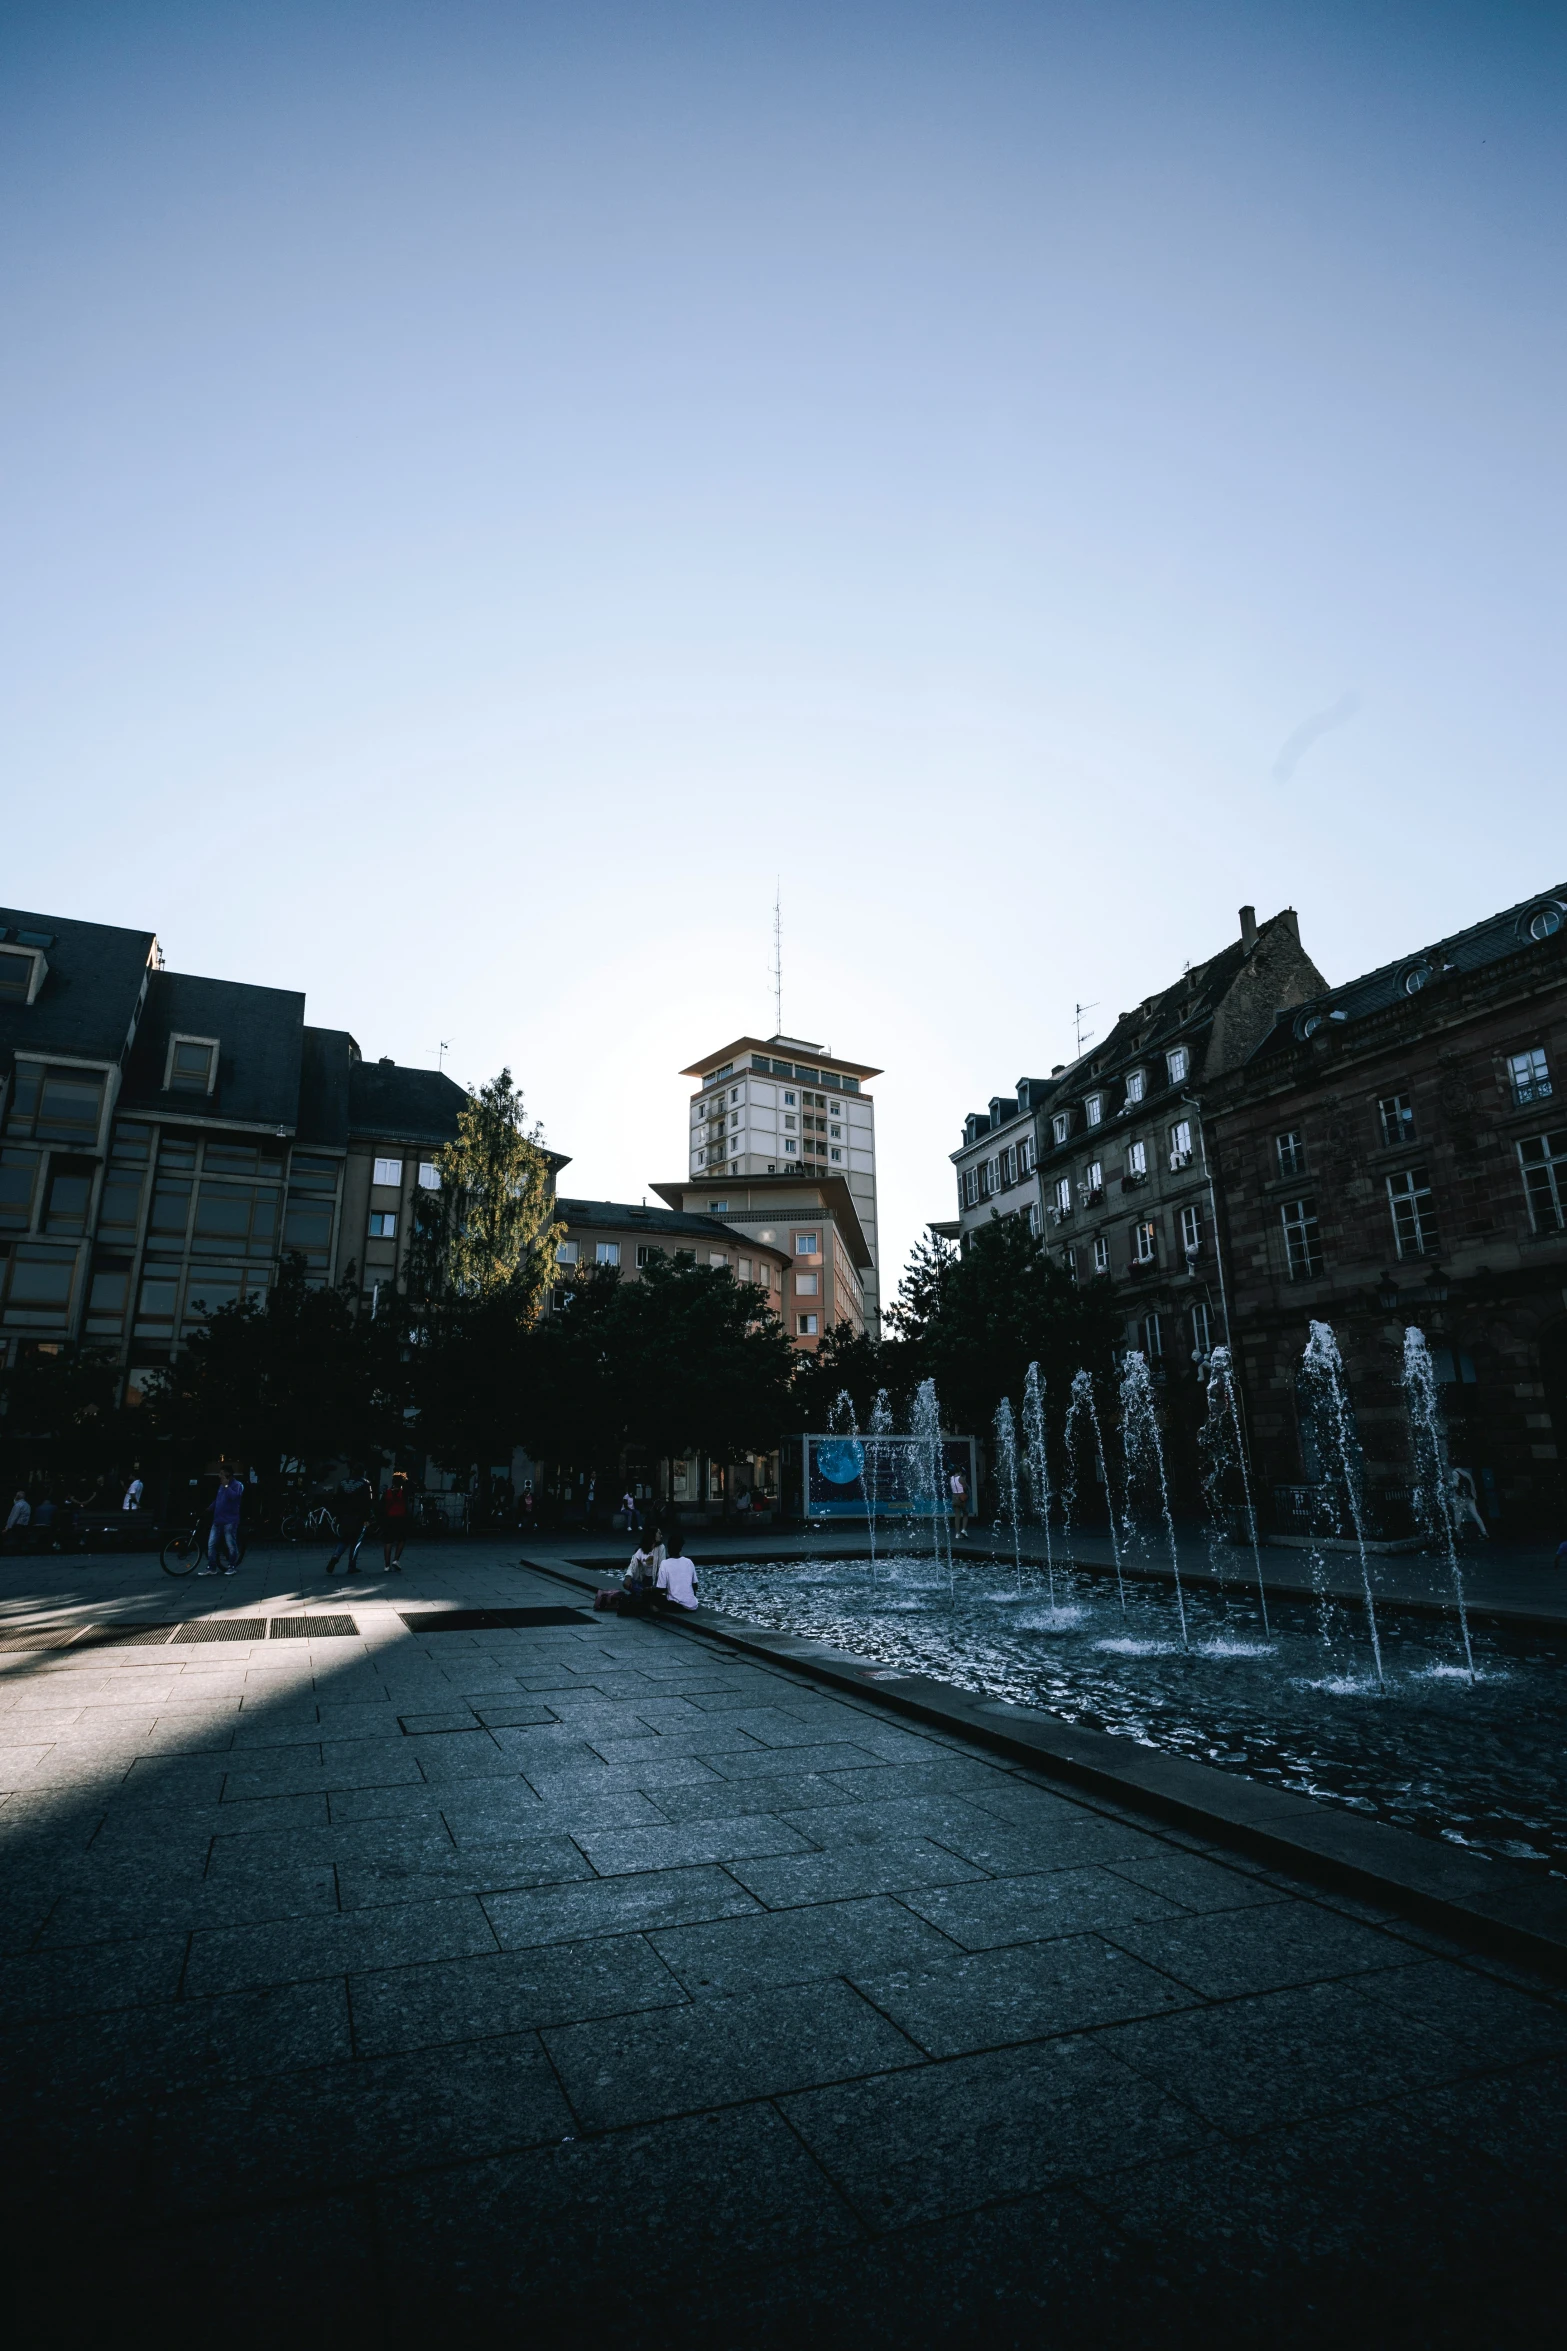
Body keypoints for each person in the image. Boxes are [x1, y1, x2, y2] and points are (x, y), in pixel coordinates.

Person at [200, 1463, 245, 1576]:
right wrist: (209, 1508)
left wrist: (226, 1486)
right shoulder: (221, 1486)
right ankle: (211, 1567)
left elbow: (235, 1497)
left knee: (230, 1543)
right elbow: (218, 1500)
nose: (219, 1476)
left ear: (228, 1474)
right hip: (218, 1519)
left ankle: (232, 1566)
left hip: (230, 1520)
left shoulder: (237, 1485)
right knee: (211, 1543)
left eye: (221, 1473)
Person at [326, 1469, 375, 1575]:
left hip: (344, 1515)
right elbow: (368, 1501)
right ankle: (351, 1565)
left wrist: (338, 1515)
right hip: (359, 1516)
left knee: (344, 1539)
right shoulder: (365, 1483)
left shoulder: (343, 1482)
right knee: (356, 1541)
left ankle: (335, 1556)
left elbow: (337, 1499)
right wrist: (367, 1518)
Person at [380, 1471, 411, 1572]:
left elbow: (382, 1506)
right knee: (401, 1540)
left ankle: (386, 1565)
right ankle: (396, 1559)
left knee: (388, 1541)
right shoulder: (404, 1492)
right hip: (401, 1518)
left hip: (389, 1518)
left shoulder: (387, 1492)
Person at [655, 1544, 699, 1611]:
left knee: (650, 1596)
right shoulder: (689, 1562)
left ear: (668, 1551)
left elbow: (661, 1589)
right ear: (680, 1549)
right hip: (692, 1605)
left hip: (676, 1605)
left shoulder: (665, 1563)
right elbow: (695, 1586)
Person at [1451, 1466, 1489, 1539]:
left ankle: (1457, 1533)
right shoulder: (1466, 1473)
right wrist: (1474, 1496)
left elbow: (1456, 1485)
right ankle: (1484, 1532)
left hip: (1460, 1498)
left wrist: (1449, 1485)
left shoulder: (1455, 1472)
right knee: (1475, 1515)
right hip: (1470, 1497)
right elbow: (1472, 1486)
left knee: (1458, 1515)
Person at [948, 1467, 969, 1540]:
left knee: (957, 1516)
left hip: (954, 1497)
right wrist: (965, 1480)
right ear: (959, 1472)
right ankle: (963, 1530)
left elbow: (952, 1488)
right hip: (961, 1497)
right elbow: (966, 1488)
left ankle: (957, 1534)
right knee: (965, 1513)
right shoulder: (961, 1478)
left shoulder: (950, 1479)